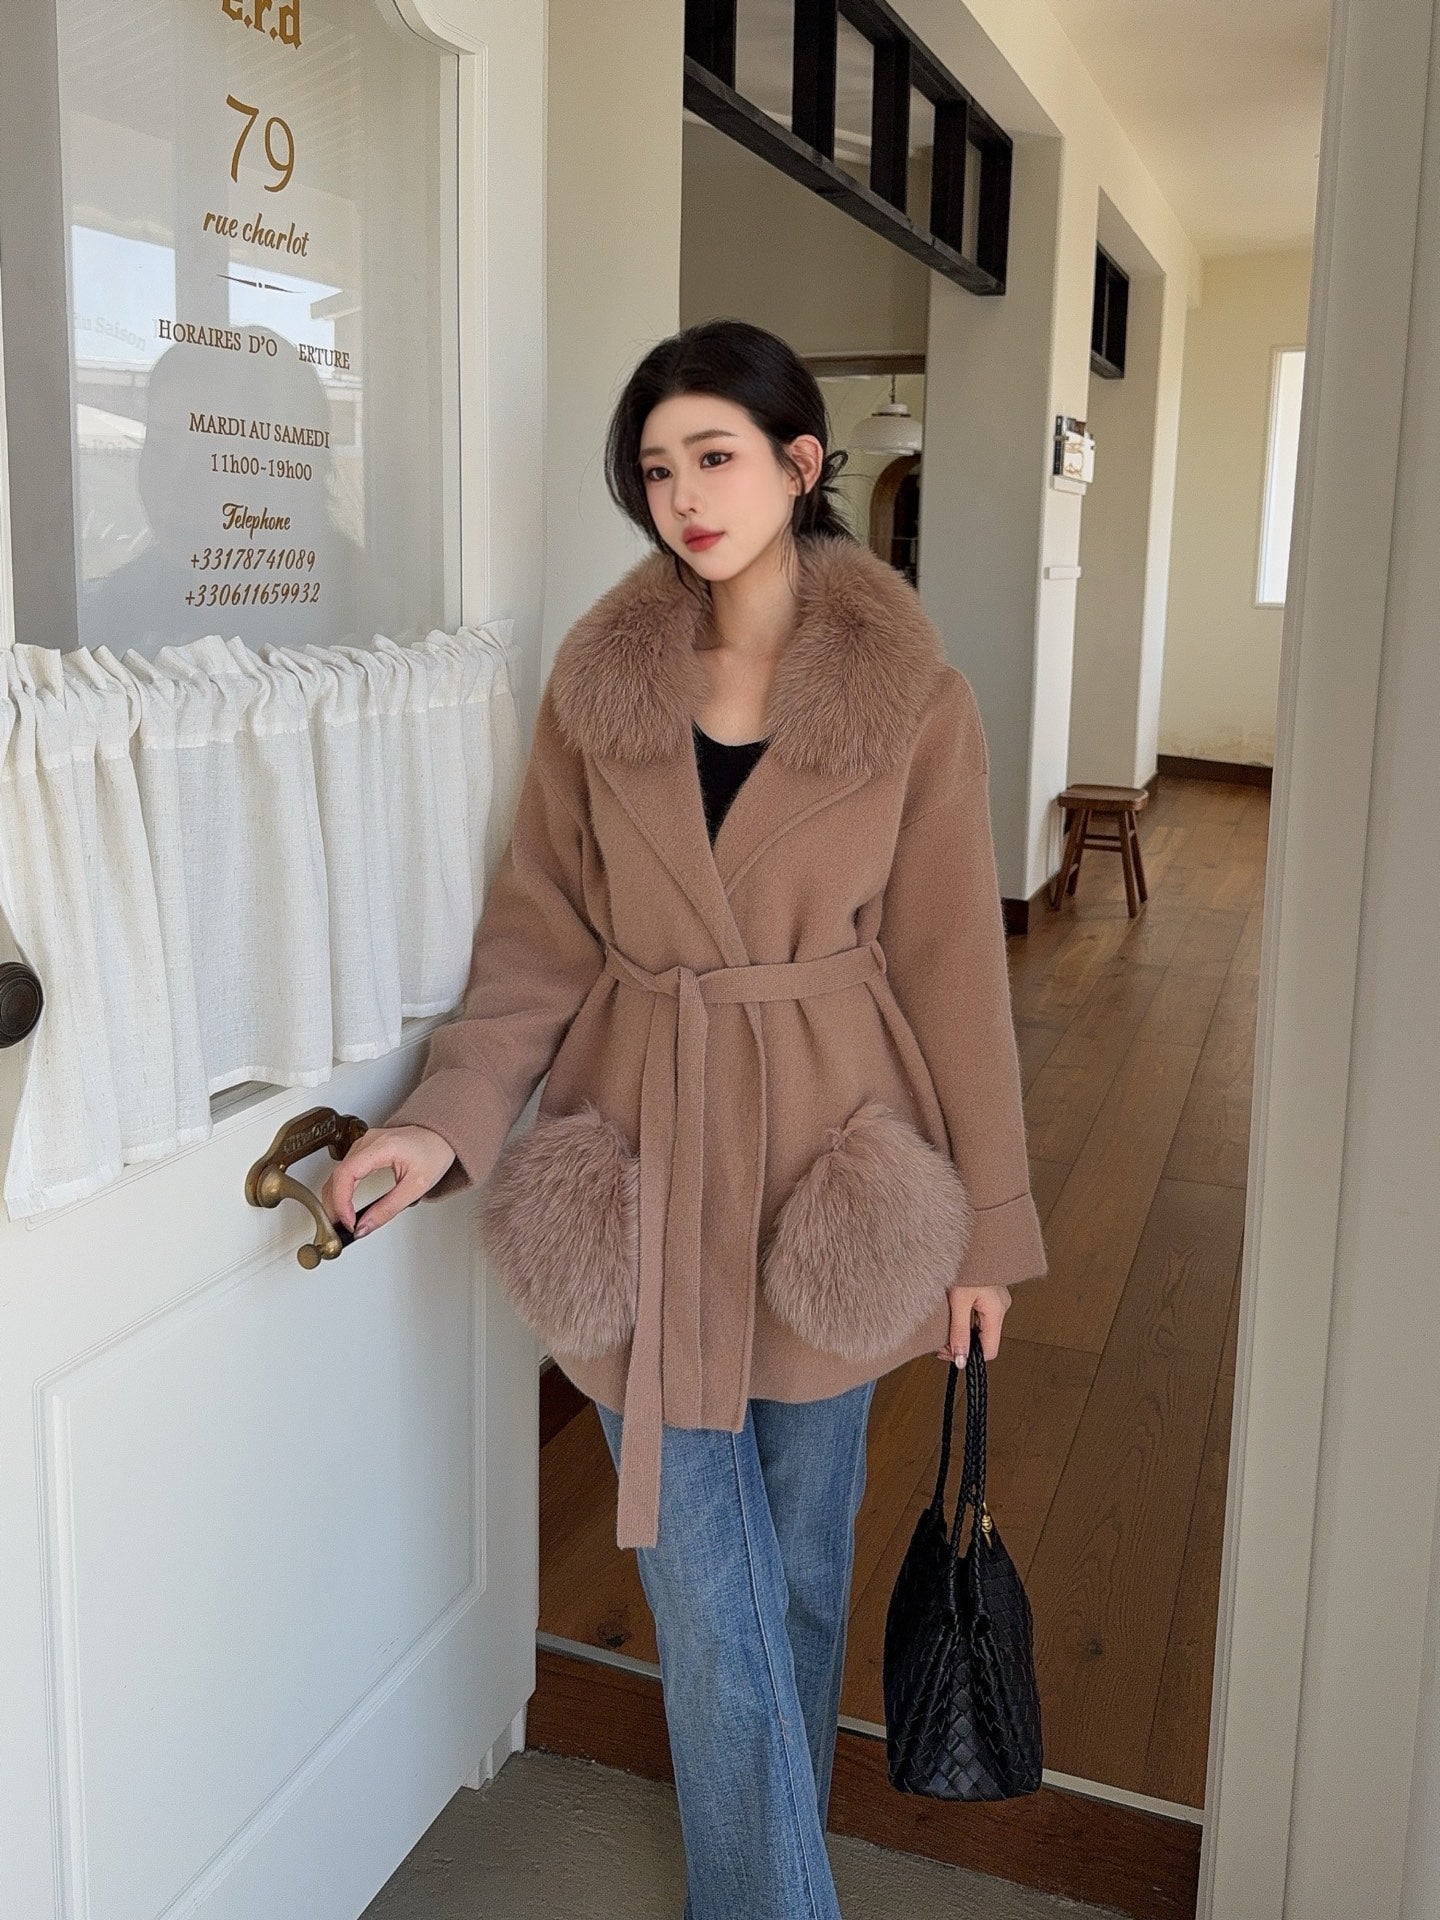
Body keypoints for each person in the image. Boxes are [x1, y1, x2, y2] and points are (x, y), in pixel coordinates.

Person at [323, 317, 1047, 1920]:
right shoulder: (602, 693)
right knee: (711, 1596)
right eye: (657, 470)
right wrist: (442, 1122)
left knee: (800, 1578)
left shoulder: (917, 703)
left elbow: (953, 971)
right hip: (644, 1156)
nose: (685, 497)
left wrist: (987, 1232)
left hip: (834, 1169)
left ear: (800, 463)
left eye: (715, 457)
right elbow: (539, 938)